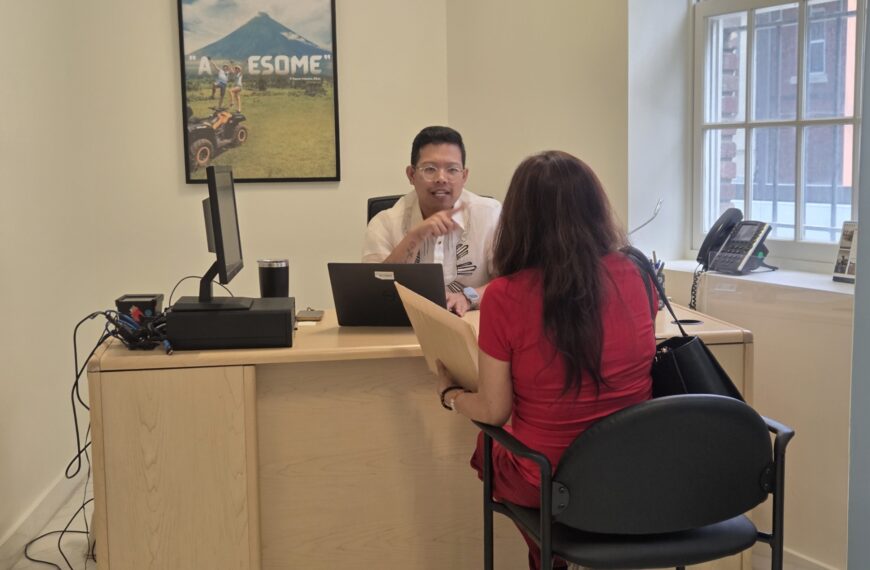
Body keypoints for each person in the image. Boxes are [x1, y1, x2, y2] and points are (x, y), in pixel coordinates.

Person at [435, 151, 656, 570]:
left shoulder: (504, 295)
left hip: (550, 478)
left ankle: (548, 557)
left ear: (519, 220)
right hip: (634, 470)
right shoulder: (639, 274)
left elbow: (494, 411)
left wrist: (451, 394)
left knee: (488, 446)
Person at [362, 126, 501, 315]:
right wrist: (416, 235)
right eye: (430, 169)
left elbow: (511, 282)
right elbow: (373, 292)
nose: (441, 178)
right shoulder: (385, 222)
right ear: (411, 175)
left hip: (473, 330)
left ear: (464, 176)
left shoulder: (490, 214)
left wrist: (469, 297)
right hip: (405, 330)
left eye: (452, 169)